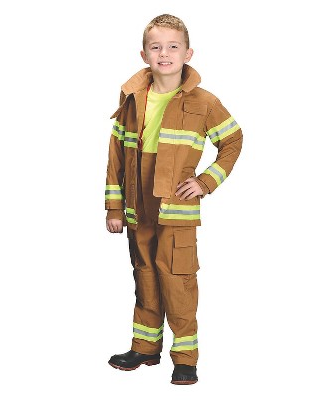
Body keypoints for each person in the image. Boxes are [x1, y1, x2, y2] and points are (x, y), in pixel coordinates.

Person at [104, 14, 243, 385]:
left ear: (187, 53)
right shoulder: (132, 99)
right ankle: (145, 347)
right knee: (145, 277)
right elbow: (116, 156)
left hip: (177, 210)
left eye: (173, 46)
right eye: (156, 47)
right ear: (144, 54)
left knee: (178, 282)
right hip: (138, 208)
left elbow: (233, 140)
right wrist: (114, 207)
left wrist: (206, 181)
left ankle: (185, 359)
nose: (164, 53)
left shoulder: (204, 102)